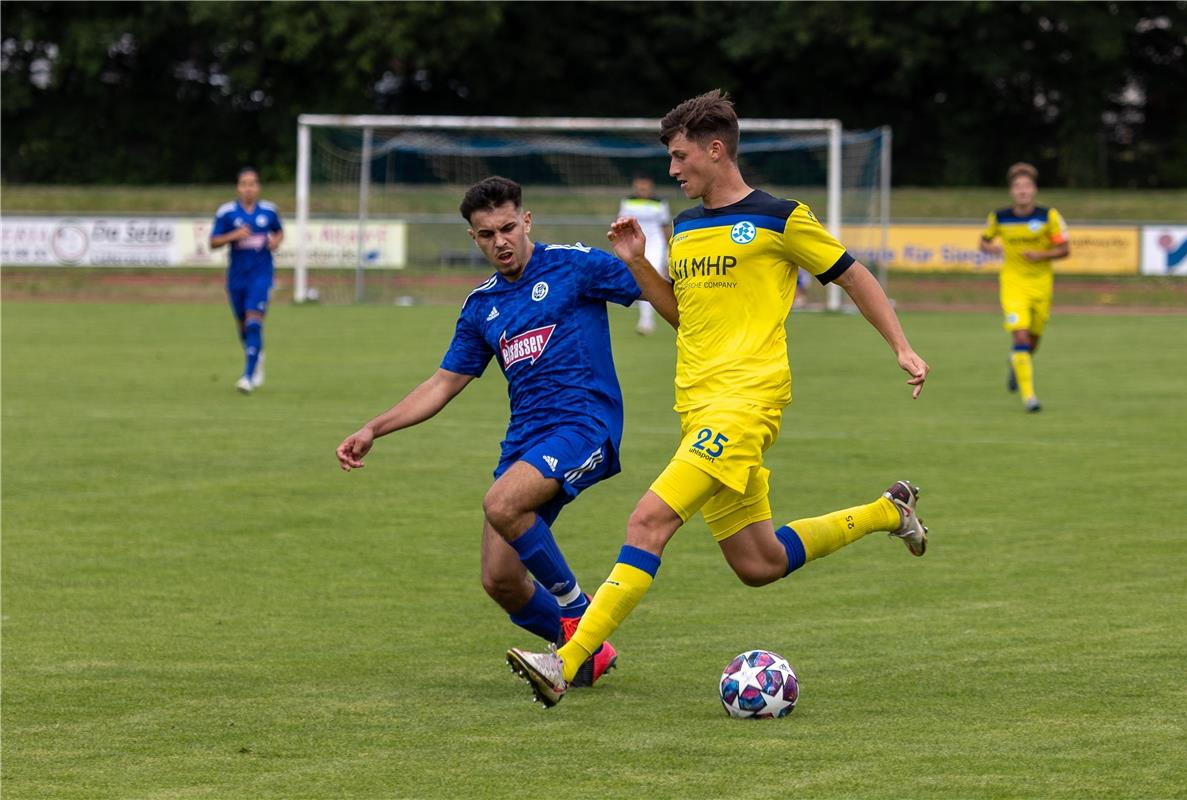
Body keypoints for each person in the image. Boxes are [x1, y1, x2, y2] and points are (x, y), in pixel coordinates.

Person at [506, 90, 931, 708]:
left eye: (680, 157)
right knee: (758, 562)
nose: (673, 169)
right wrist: (639, 265)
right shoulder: (685, 228)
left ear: (715, 149)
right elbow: (687, 318)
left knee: (647, 521)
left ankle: (565, 661)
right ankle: (890, 512)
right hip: (698, 410)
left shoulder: (781, 218)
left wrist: (902, 345)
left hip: (745, 405)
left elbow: (854, 274)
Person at [336, 176, 644, 686]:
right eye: (486, 234)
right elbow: (442, 384)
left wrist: (649, 262)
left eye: (507, 227)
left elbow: (652, 287)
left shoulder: (574, 265)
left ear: (526, 221)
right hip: (526, 441)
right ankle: (591, 658)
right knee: (501, 580)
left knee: (501, 504)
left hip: (584, 424)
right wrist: (375, 427)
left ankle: (577, 615)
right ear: (473, 239)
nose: (500, 241)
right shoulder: (482, 306)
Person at [978, 163, 1070, 412]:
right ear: (1011, 191)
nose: (1022, 191)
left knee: (1032, 342)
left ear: (1034, 189)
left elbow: (1065, 250)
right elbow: (984, 242)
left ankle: (1015, 361)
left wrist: (1040, 255)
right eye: (1018, 186)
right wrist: (991, 249)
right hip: (1013, 284)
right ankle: (1030, 398)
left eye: (1027, 186)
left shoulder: (1048, 216)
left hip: (1041, 286)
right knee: (1019, 335)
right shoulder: (999, 217)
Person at [210, 167, 283, 394]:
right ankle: (256, 354)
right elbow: (213, 242)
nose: (248, 188)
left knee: (254, 322)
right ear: (238, 187)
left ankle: (247, 377)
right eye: (244, 184)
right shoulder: (227, 213)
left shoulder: (269, 211)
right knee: (243, 327)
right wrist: (234, 236)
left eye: (253, 183)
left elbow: (278, 231)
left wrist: (276, 241)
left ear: (258, 187)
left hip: (261, 276)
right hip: (237, 278)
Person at [617, 173, 672, 334]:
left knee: (650, 277)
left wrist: (669, 248)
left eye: (645, 185)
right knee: (639, 279)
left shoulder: (659, 203)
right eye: (639, 185)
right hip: (636, 244)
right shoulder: (628, 202)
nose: (642, 188)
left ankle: (646, 320)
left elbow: (665, 226)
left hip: (656, 244)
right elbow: (620, 222)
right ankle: (646, 318)